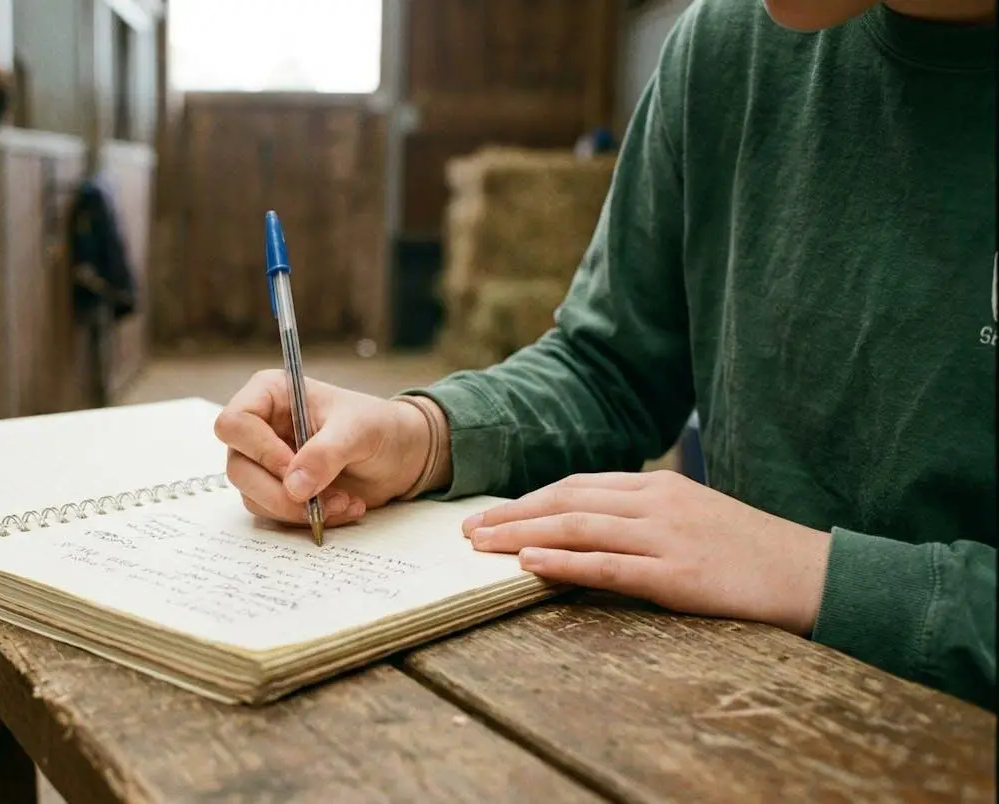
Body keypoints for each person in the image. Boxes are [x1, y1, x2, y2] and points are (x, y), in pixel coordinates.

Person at [213, 0, 995, 710]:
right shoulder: (728, 44)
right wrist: (425, 435)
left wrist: (813, 574)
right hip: (731, 699)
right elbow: (611, 368)